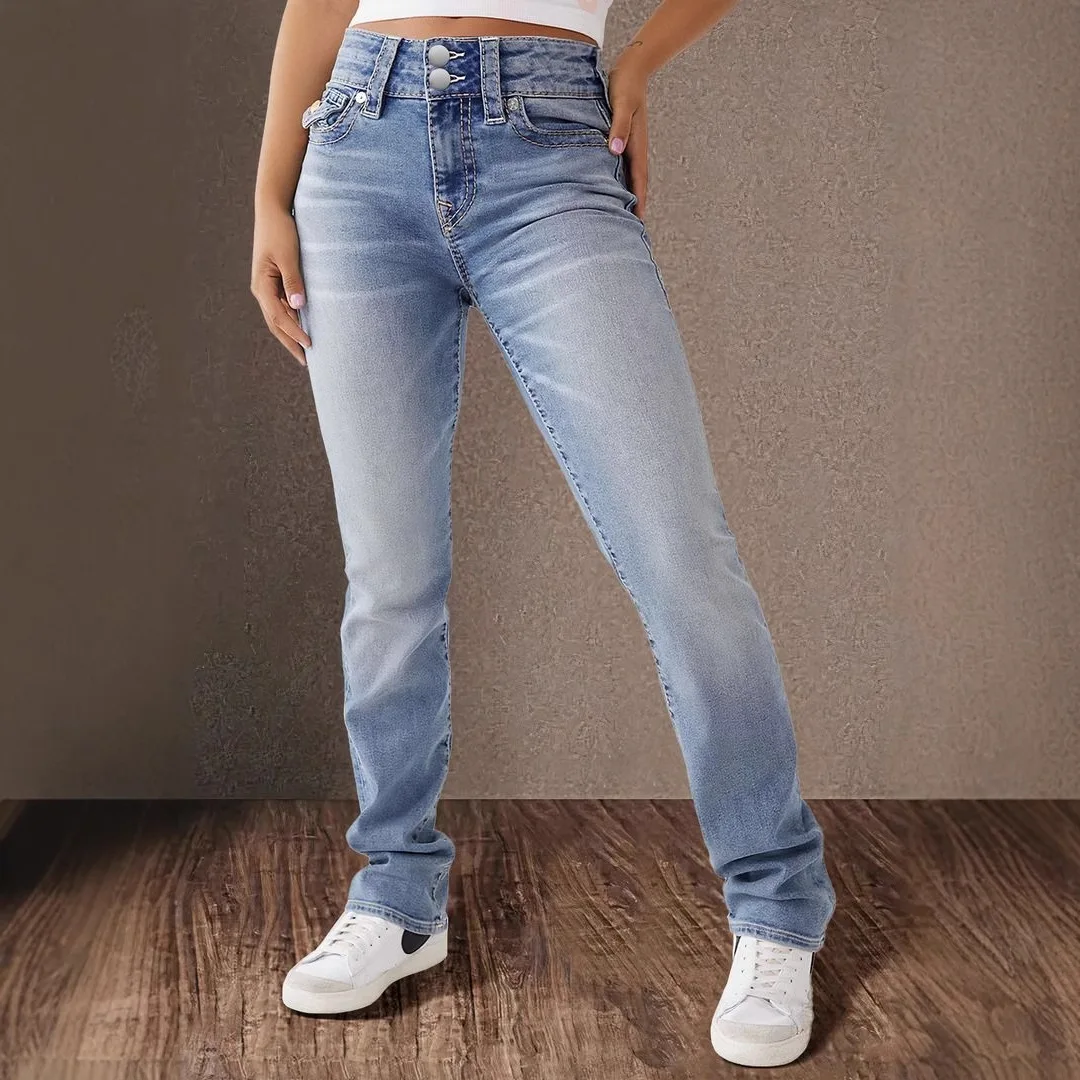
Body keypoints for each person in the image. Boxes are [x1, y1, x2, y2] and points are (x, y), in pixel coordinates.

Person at [251, 0, 837, 1067]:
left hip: (551, 144)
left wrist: (641, 62)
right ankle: (397, 896)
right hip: (356, 141)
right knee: (389, 577)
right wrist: (268, 194)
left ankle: (776, 907)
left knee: (680, 555)